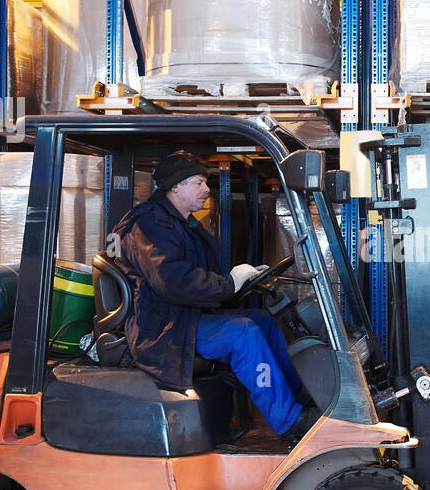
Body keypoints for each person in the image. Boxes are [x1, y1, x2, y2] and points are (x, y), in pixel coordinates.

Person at [111, 150, 319, 442]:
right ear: (175, 186)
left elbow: (202, 275)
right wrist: (230, 283)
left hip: (185, 317)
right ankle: (289, 422)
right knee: (242, 333)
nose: (207, 189)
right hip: (162, 329)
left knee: (263, 320)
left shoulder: (182, 223)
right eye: (198, 182)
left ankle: (299, 404)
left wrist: (240, 281)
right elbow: (173, 282)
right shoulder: (150, 225)